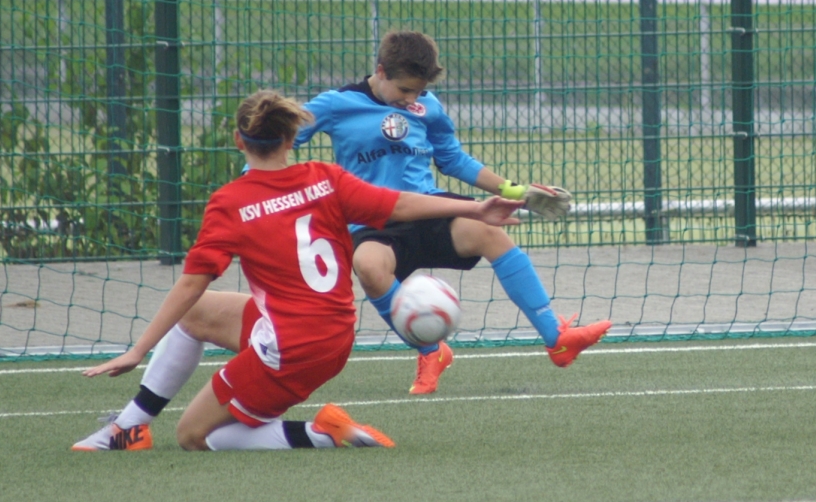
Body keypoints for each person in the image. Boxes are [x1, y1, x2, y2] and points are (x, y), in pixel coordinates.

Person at [72, 89, 523, 452]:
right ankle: (128, 429)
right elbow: (401, 204)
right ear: (291, 140)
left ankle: (320, 433)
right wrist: (475, 208)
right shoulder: (325, 178)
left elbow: (191, 282)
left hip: (291, 350)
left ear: (239, 141)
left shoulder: (231, 202)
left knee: (193, 436)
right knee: (197, 315)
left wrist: (138, 350)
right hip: (334, 334)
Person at [293, 30, 611, 394]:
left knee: (490, 233)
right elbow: (284, 135)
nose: (411, 99)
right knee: (367, 266)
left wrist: (515, 191)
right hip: (375, 220)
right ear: (381, 71)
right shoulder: (337, 104)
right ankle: (431, 352)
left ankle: (557, 340)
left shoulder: (428, 106)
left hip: (428, 206)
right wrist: (267, 180)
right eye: (405, 90)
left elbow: (453, 159)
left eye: (419, 92)